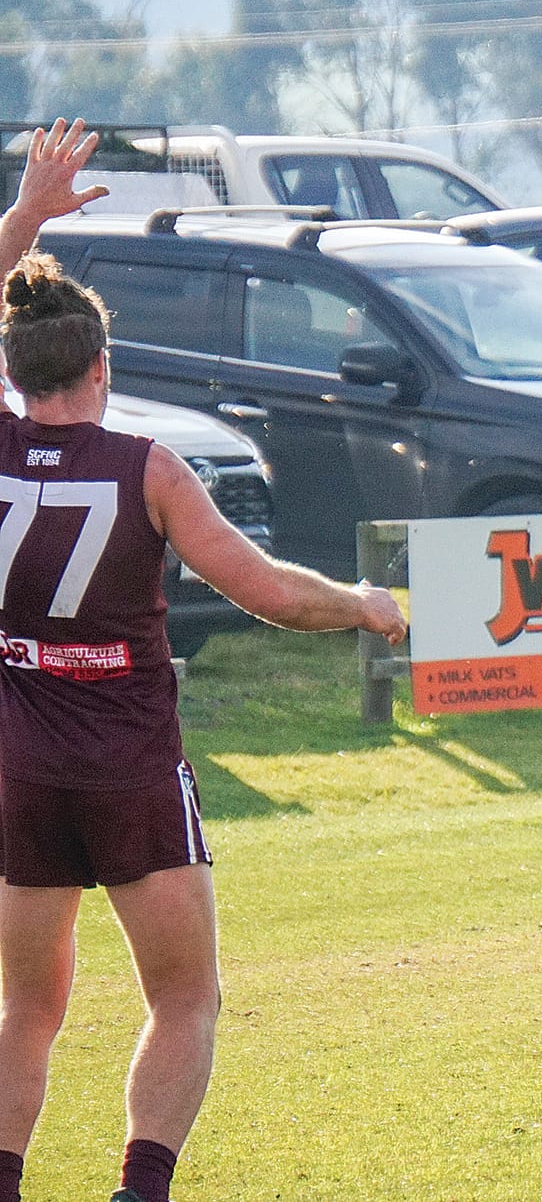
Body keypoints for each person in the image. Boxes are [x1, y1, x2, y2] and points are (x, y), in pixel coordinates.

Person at [0, 121, 408, 1202]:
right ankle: (139, 1193)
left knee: (27, 1011)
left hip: (18, 767)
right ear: (102, 365)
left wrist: (27, 216)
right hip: (129, 761)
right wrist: (364, 605)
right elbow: (268, 591)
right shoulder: (148, 467)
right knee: (185, 998)